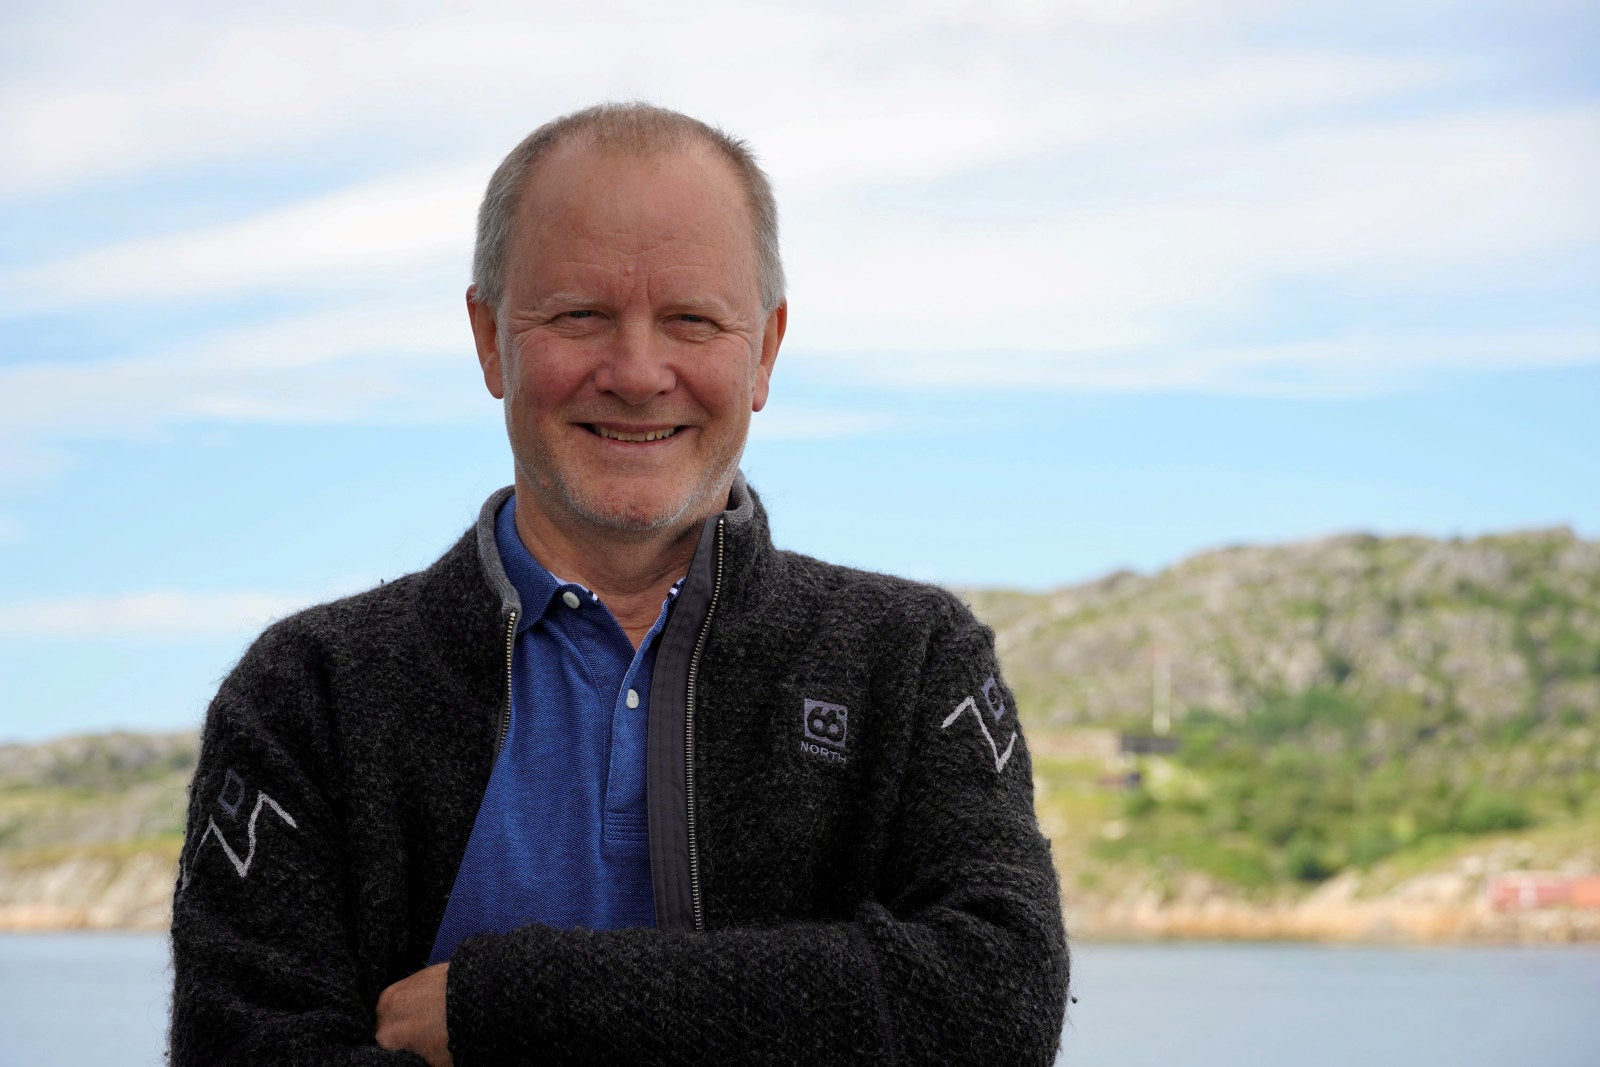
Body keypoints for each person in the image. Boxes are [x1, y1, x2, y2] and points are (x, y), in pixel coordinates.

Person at [169, 102, 1069, 1066]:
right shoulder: (309, 692)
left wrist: (510, 1003)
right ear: (489, 337)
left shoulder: (914, 659)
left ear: (764, 351)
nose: (638, 373)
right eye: (580, 316)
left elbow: (998, 1005)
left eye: (691, 320)